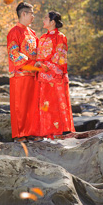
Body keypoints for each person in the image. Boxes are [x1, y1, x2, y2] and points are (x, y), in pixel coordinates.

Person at [35, 11, 75, 139]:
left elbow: (60, 57)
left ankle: (58, 134)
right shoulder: (42, 37)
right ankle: (46, 133)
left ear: (52, 22)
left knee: (56, 105)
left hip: (56, 77)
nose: (43, 20)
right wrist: (39, 64)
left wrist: (46, 66)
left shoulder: (60, 37)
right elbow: (38, 56)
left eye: (46, 18)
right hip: (43, 76)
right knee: (45, 105)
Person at [7, 2, 41, 142]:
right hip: (20, 75)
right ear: (23, 14)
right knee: (20, 105)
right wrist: (32, 63)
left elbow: (39, 51)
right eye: (31, 13)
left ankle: (32, 132)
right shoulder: (14, 32)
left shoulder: (32, 33)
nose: (33, 16)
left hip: (33, 74)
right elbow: (14, 54)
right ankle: (20, 135)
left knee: (33, 105)